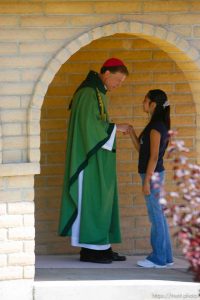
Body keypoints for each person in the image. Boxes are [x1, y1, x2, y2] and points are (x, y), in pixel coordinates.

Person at [58, 58, 130, 263]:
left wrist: (114, 128)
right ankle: (89, 251)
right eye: (117, 80)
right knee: (91, 201)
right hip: (87, 160)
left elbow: (97, 125)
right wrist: (116, 128)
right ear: (106, 73)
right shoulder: (88, 93)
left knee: (102, 202)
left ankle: (103, 247)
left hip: (97, 158)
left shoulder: (98, 92)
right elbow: (89, 127)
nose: (118, 85)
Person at [129, 89, 173, 268]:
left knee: (156, 217)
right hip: (153, 174)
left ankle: (158, 258)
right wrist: (131, 131)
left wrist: (147, 180)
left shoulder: (156, 128)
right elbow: (143, 152)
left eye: (145, 100)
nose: (143, 103)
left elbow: (154, 157)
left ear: (153, 104)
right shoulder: (154, 125)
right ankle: (167, 257)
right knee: (159, 217)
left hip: (152, 176)